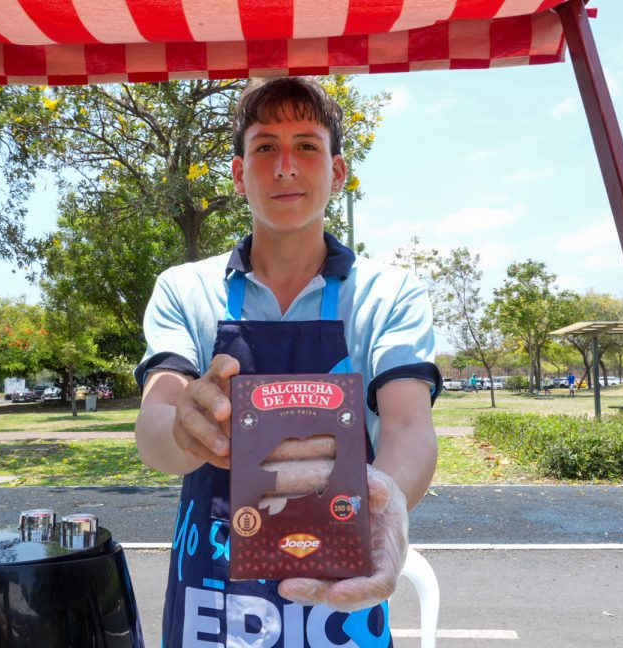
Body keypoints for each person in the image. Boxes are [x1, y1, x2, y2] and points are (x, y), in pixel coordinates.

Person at [133, 77, 442, 647]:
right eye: (264, 147)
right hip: (211, 602)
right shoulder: (183, 289)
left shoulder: (390, 294)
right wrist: (182, 429)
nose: (284, 167)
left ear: (338, 171)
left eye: (306, 145)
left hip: (340, 599)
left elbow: (408, 427)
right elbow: (155, 428)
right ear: (237, 172)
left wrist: (387, 497)